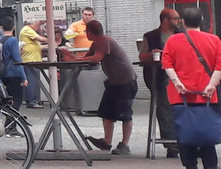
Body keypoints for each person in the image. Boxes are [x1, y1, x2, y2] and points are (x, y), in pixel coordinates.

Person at [161, 7, 221, 169]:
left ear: (183, 21)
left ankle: (190, 164)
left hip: (181, 94)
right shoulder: (214, 40)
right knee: (205, 126)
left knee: (185, 127)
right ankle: (210, 164)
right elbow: (220, 66)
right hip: (207, 94)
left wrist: (176, 82)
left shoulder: (173, 41)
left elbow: (167, 63)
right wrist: (211, 85)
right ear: (202, 20)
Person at [75, 19, 137, 155]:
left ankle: (124, 144)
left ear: (89, 32)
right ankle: (107, 142)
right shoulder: (97, 42)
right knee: (107, 112)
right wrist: (73, 59)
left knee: (125, 113)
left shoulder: (104, 40)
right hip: (114, 82)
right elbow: (88, 58)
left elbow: (96, 58)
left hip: (126, 81)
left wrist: (72, 59)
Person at [142, 9, 182, 157]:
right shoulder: (151, 36)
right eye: (175, 18)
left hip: (181, 76)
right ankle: (172, 144)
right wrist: (152, 55)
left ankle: (183, 141)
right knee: (164, 109)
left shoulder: (182, 36)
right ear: (166, 20)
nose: (179, 21)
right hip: (159, 76)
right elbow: (142, 56)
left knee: (180, 109)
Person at [0, 18, 27, 110]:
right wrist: (24, 77)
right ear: (13, 27)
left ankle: (10, 119)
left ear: (2, 27)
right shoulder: (13, 40)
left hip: (3, 72)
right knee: (17, 99)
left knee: (9, 98)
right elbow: (17, 60)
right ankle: (12, 120)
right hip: (14, 72)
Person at [18, 22, 46, 106]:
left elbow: (38, 46)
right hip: (31, 60)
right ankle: (32, 101)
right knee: (32, 81)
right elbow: (41, 39)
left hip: (33, 59)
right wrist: (52, 40)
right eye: (37, 26)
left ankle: (32, 100)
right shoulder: (27, 30)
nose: (38, 28)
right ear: (32, 24)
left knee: (32, 81)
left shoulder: (29, 34)